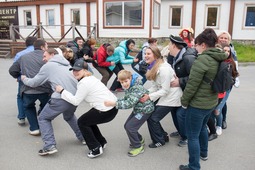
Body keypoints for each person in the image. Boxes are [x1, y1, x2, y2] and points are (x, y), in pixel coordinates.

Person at [179, 28, 228, 170]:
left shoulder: (202, 60)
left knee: (192, 135)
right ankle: (204, 153)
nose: (195, 48)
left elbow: (192, 85)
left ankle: (194, 166)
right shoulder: (219, 56)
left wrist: (184, 102)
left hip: (198, 104)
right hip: (211, 102)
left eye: (196, 45)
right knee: (201, 128)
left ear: (204, 45)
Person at [21, 48, 84, 156]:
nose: (43, 59)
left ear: (52, 54)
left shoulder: (48, 66)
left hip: (61, 98)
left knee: (43, 118)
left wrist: (24, 79)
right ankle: (84, 137)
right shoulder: (66, 63)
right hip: (74, 98)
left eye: (45, 56)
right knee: (69, 116)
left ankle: (49, 146)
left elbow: (35, 82)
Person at [55, 59, 118, 158]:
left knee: (82, 122)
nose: (75, 72)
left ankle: (95, 148)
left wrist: (62, 91)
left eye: (78, 70)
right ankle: (101, 142)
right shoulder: (91, 78)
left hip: (105, 110)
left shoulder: (84, 83)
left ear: (85, 70)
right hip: (111, 108)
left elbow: (76, 101)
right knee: (88, 120)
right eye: (74, 70)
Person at [139, 46, 183, 148]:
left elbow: (165, 90)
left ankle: (159, 141)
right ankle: (163, 136)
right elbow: (155, 86)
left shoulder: (164, 69)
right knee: (151, 116)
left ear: (156, 55)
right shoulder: (155, 66)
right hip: (166, 95)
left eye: (148, 54)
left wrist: (149, 97)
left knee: (153, 118)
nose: (146, 56)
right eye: (145, 53)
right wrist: (145, 93)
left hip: (172, 96)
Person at [104, 70, 154, 157]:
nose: (124, 84)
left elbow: (129, 103)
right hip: (138, 109)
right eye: (122, 82)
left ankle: (138, 147)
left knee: (130, 127)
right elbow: (126, 98)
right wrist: (116, 100)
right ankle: (139, 139)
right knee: (127, 125)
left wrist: (114, 104)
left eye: (126, 81)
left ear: (130, 78)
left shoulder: (136, 88)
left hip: (144, 110)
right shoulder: (131, 86)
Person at [9, 39, 52, 135]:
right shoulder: (48, 57)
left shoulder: (23, 57)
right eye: (46, 46)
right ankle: (45, 126)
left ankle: (34, 128)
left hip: (28, 88)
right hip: (45, 88)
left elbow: (12, 70)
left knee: (29, 107)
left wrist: (20, 77)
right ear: (42, 47)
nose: (47, 48)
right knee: (46, 106)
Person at [168, 35, 197, 147]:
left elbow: (195, 77)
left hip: (188, 92)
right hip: (180, 91)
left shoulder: (188, 58)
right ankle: (181, 132)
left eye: (169, 45)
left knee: (181, 114)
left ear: (174, 46)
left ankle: (186, 137)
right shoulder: (175, 57)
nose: (168, 47)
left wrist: (180, 81)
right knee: (174, 111)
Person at [217, 31, 240, 129]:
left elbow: (235, 67)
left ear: (229, 40)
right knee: (219, 101)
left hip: (227, 82)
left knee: (222, 102)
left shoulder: (231, 51)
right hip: (218, 81)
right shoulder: (216, 48)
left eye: (225, 38)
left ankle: (223, 120)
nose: (223, 39)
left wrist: (236, 79)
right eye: (221, 37)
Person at [13, 36, 37, 125]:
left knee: (20, 97)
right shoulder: (42, 53)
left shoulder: (20, 54)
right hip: (40, 79)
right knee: (43, 95)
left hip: (24, 79)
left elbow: (14, 68)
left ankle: (21, 117)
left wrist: (18, 77)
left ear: (26, 44)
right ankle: (42, 114)